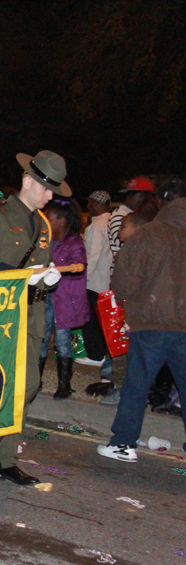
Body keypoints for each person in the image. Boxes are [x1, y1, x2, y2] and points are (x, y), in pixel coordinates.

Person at [0, 150, 67, 486]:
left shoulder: (43, 224)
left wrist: (47, 279)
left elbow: (40, 267)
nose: (51, 196)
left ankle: (5, 456)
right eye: (46, 188)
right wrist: (24, 276)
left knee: (24, 386)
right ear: (27, 181)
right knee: (20, 384)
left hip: (32, 314)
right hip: (2, 315)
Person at [97, 178, 186, 463]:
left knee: (136, 385)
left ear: (161, 201)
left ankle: (123, 443)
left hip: (152, 322)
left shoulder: (150, 234)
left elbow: (123, 285)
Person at [39, 199, 88, 399]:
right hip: (48, 296)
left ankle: (64, 385)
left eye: (49, 218)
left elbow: (79, 267)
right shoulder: (47, 240)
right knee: (42, 338)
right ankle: (36, 381)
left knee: (62, 341)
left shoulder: (74, 243)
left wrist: (55, 270)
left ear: (61, 220)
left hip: (64, 299)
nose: (46, 222)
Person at [80, 190, 116, 396]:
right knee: (106, 322)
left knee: (92, 320)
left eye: (90, 202)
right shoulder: (113, 222)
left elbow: (91, 258)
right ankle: (103, 353)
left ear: (95, 203)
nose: (89, 205)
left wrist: (82, 281)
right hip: (107, 280)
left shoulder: (96, 227)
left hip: (95, 281)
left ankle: (95, 355)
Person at [108, 177, 154, 267]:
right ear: (140, 196)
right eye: (150, 198)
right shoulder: (120, 216)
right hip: (126, 272)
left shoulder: (130, 215)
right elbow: (124, 246)